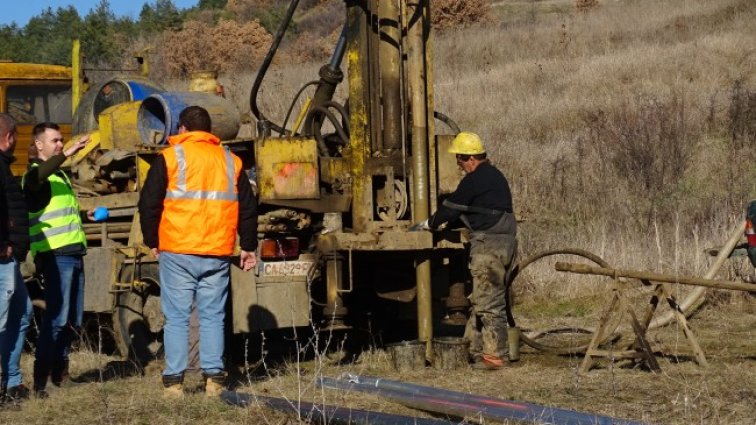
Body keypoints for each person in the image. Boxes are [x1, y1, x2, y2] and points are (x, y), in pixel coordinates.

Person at [138, 106, 258, 397]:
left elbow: (149, 203)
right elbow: (248, 208)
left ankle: (174, 383)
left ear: (181, 129)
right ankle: (215, 381)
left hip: (177, 250)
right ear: (209, 131)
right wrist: (249, 247)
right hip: (217, 251)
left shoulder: (168, 158)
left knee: (177, 317)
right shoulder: (231, 161)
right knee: (212, 316)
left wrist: (153, 239)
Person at [411, 132, 517, 370]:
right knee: (480, 300)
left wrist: (428, 224)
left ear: (469, 158)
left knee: (489, 303)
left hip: (489, 247)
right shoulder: (494, 176)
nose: (458, 165)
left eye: (459, 160)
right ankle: (472, 349)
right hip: (504, 244)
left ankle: (496, 358)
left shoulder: (475, 180)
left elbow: (450, 209)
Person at [23, 122, 90, 396]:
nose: (61, 144)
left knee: (72, 317)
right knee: (57, 318)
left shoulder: (60, 176)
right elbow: (40, 176)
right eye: (55, 141)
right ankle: (43, 378)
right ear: (39, 145)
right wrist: (69, 152)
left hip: (74, 252)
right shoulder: (33, 176)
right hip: (55, 256)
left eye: (62, 140)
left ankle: (62, 373)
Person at [0, 113, 33, 406]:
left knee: (22, 314)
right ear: (9, 137)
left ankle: (11, 382)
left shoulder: (4, 167)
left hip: (9, 259)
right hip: (2, 259)